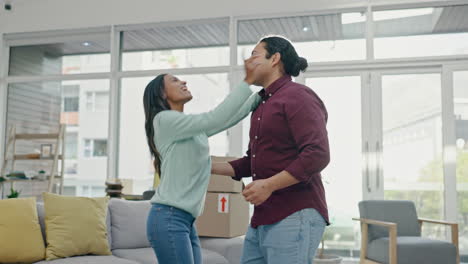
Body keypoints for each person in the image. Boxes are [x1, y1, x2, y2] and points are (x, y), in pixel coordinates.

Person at [212, 35, 330, 264]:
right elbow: (252, 162)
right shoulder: (262, 103)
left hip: (295, 212)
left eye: (255, 55)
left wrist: (268, 185)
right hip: (263, 216)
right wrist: (206, 167)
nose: (248, 62)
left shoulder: (298, 96)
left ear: (274, 58)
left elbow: (317, 154)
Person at [143, 59, 261, 264]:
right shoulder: (164, 120)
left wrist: (259, 97)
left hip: (185, 221)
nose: (183, 82)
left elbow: (226, 120)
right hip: (169, 218)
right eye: (175, 80)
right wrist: (247, 81)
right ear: (162, 94)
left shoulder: (187, 128)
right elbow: (214, 117)